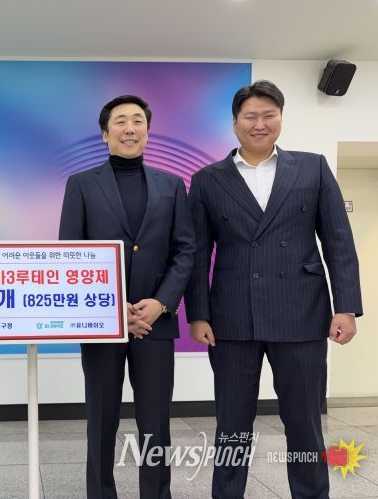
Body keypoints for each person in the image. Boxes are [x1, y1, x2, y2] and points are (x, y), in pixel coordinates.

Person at [185, 80, 363, 499]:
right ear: (234, 123)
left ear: (281, 118)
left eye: (269, 115)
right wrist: (198, 314)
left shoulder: (313, 167)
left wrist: (346, 307)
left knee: (304, 423)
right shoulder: (208, 179)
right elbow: (196, 252)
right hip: (231, 317)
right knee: (232, 425)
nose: (259, 123)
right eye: (250, 116)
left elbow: (338, 240)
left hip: (301, 313)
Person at [59, 95, 195, 499]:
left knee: (156, 422)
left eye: (138, 120)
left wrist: (161, 302)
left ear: (148, 132)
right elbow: (70, 254)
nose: (130, 128)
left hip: (156, 323)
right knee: (101, 421)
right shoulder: (81, 184)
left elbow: (185, 250)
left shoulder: (171, 185)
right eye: (120, 121)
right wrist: (112, 308)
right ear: (105, 133)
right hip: (101, 323)